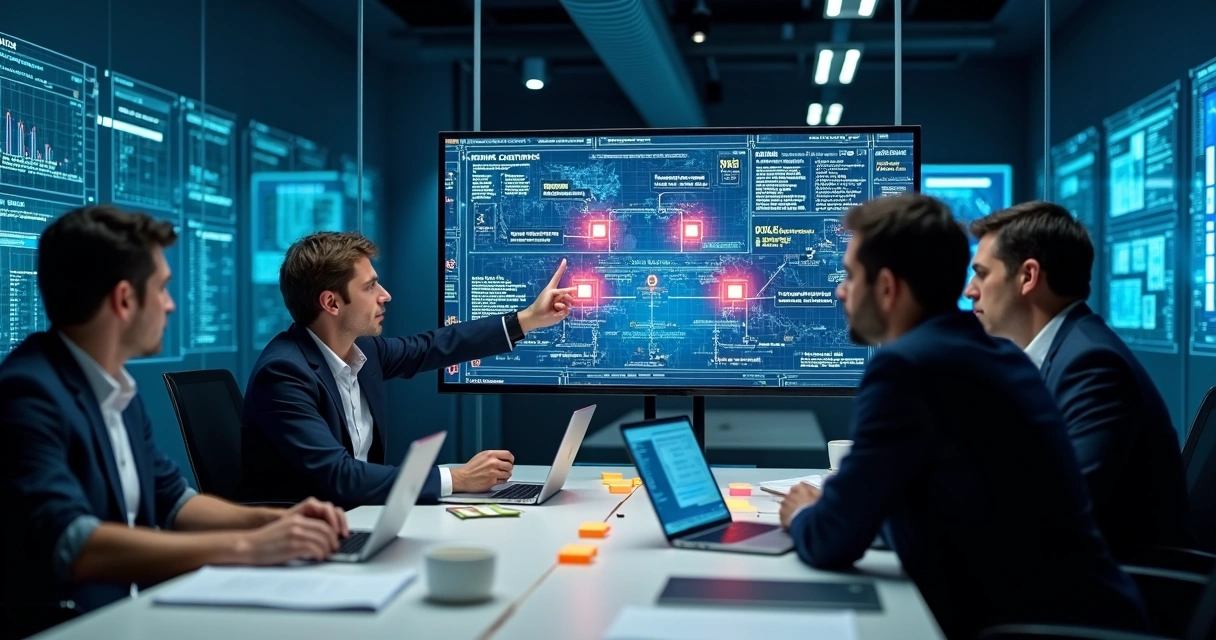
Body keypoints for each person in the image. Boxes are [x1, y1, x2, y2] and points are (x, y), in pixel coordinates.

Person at [777, 194, 1148, 638]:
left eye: (851, 276)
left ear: (888, 288)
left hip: (1041, 629)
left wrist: (802, 514)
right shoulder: (994, 355)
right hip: (1088, 617)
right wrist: (850, 505)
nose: (841, 290)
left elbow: (829, 540)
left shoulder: (907, 367)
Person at [0, 206, 349, 635]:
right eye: (162, 288)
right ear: (124, 300)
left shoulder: (115, 387)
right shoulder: (28, 391)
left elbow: (173, 500)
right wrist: (247, 546)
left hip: (131, 614)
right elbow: (74, 543)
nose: (170, 304)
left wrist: (276, 522)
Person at [242, 232, 575, 509]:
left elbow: (434, 346)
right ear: (331, 303)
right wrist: (456, 479)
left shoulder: (364, 351)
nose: (385, 296)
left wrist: (528, 319)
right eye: (369, 287)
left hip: (367, 517)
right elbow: (339, 477)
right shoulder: (285, 374)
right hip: (308, 541)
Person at [964, 201, 1189, 558]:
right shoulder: (1062, 353)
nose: (970, 290)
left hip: (1101, 598)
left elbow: (1057, 508)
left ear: (1028, 276)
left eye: (981, 273)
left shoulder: (1092, 364)